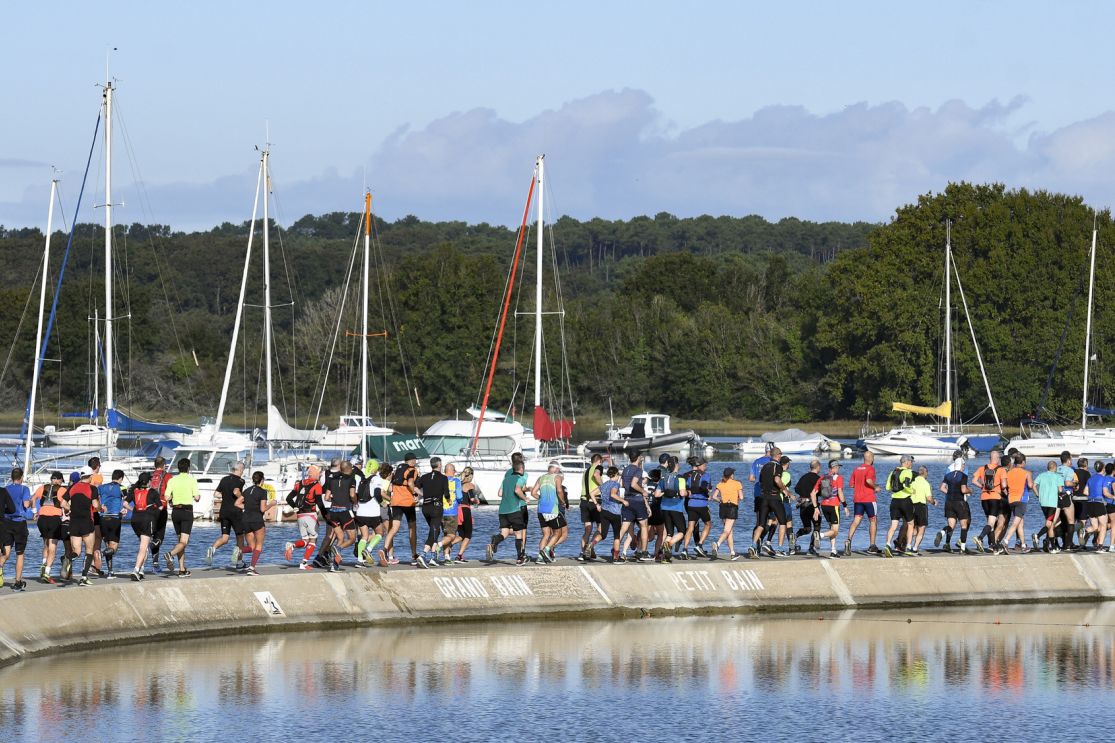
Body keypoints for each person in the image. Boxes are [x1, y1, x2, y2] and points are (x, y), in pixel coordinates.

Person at [748, 447, 791, 559]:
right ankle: (780, 548)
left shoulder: (765, 467)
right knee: (783, 522)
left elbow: (760, 481)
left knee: (761, 524)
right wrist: (784, 490)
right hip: (774, 497)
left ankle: (753, 545)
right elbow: (777, 480)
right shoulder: (777, 466)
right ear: (778, 455)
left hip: (763, 498)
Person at [487, 459, 530, 565]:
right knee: (518, 533)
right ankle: (520, 559)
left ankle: (495, 541)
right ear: (521, 469)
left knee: (504, 533)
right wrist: (525, 498)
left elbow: (500, 493)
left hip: (502, 511)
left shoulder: (506, 480)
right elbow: (517, 490)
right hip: (514, 510)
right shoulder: (519, 478)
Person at [163, 457, 199, 577]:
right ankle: (170, 554)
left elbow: (166, 497)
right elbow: (197, 497)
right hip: (187, 512)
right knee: (184, 542)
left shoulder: (172, 480)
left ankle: (182, 569)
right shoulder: (191, 480)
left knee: (180, 542)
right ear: (188, 468)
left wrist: (174, 496)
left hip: (175, 512)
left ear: (178, 468)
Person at [207, 461, 247, 567]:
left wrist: (225, 496)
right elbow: (236, 492)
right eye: (242, 470)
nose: (243, 472)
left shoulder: (224, 479)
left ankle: (212, 549)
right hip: (235, 512)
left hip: (224, 511)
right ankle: (239, 562)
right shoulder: (240, 481)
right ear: (240, 470)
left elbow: (216, 494)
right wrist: (241, 497)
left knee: (225, 538)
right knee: (240, 537)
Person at [64, 467, 100, 585]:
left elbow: (62, 503)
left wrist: (71, 509)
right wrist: (101, 508)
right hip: (87, 521)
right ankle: (84, 577)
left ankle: (69, 558)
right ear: (90, 477)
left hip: (74, 521)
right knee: (89, 550)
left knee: (77, 551)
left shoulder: (72, 487)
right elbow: (95, 504)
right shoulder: (92, 488)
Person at [284, 465, 324, 569]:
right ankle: (304, 563)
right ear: (315, 474)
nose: (319, 475)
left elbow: (288, 498)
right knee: (313, 540)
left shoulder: (299, 483)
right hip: (310, 515)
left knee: (306, 540)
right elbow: (319, 502)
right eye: (319, 473)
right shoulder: (317, 485)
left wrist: (295, 507)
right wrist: (326, 514)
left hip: (300, 515)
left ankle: (293, 546)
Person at [384, 452, 420, 566]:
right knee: (412, 528)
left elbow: (390, 486)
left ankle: (384, 550)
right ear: (412, 460)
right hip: (408, 503)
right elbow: (410, 483)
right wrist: (416, 493)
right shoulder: (412, 470)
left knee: (394, 528)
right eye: (415, 460)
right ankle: (414, 555)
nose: (415, 462)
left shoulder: (398, 469)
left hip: (395, 503)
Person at [1, 468, 33, 590]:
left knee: (6, 552)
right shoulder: (24, 489)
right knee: (20, 553)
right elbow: (25, 504)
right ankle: (17, 582)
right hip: (19, 523)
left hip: (6, 522)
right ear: (21, 477)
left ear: (11, 477)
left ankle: (0, 568)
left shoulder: (5, 489)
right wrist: (30, 502)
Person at [324, 460, 359, 570]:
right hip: (344, 511)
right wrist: (355, 502)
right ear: (350, 469)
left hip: (333, 511)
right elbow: (352, 494)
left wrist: (335, 498)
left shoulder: (331, 479)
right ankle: (338, 548)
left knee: (340, 537)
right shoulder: (351, 479)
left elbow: (326, 497)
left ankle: (333, 565)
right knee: (352, 538)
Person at [845, 451, 881, 555]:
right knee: (873, 521)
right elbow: (869, 480)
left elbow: (851, 485)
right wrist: (875, 487)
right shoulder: (870, 468)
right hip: (869, 499)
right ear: (871, 458)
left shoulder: (856, 469)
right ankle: (872, 546)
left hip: (858, 499)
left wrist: (860, 486)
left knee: (856, 521)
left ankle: (848, 540)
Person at [934, 452, 971, 553]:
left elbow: (942, 488)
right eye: (963, 465)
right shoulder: (963, 476)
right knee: (964, 525)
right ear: (962, 465)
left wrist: (950, 492)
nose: (964, 467)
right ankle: (962, 548)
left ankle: (942, 532)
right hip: (959, 503)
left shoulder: (948, 475)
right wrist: (970, 491)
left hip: (949, 502)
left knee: (951, 526)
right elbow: (963, 490)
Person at [237, 471, 273, 575]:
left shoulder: (247, 490)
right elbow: (262, 509)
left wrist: (248, 507)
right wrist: (272, 504)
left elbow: (237, 503)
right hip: (257, 520)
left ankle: (240, 551)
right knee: (259, 545)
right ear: (262, 480)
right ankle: (252, 568)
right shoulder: (262, 491)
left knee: (251, 547)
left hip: (245, 520)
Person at [588, 466, 627, 562]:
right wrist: (623, 501)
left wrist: (597, 504)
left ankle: (591, 544)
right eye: (618, 475)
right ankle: (616, 558)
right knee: (617, 536)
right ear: (616, 474)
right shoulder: (616, 484)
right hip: (614, 512)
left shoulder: (604, 484)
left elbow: (591, 493)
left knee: (603, 534)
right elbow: (613, 494)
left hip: (604, 511)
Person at [124, 472, 158, 581]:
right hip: (147, 520)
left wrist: (133, 509)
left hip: (135, 521)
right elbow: (161, 507)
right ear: (148, 481)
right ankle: (136, 569)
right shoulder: (152, 492)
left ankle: (142, 569)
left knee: (144, 544)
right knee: (143, 547)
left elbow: (124, 503)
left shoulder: (134, 490)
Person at [416, 457, 449, 568]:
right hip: (436, 507)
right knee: (433, 531)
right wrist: (449, 500)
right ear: (439, 465)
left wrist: (421, 494)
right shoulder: (443, 478)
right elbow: (447, 494)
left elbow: (415, 487)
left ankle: (433, 557)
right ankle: (423, 554)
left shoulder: (424, 477)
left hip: (426, 507)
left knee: (435, 530)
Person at [34, 471, 66, 583]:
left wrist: (34, 511)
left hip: (41, 519)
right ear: (60, 480)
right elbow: (64, 505)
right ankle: (47, 573)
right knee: (53, 547)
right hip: (54, 520)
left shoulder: (42, 487)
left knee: (46, 543)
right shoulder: (62, 490)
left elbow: (33, 498)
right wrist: (70, 509)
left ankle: (44, 564)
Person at [355, 463, 389, 567]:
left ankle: (360, 560)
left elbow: (356, 494)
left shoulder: (360, 478)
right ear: (376, 469)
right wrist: (382, 503)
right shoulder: (376, 479)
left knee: (364, 536)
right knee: (380, 533)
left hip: (360, 512)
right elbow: (378, 493)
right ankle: (368, 550)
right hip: (372, 512)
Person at [619, 452, 651, 562]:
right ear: (637, 458)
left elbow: (623, 484)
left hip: (627, 500)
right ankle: (644, 552)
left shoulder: (625, 469)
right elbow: (633, 484)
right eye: (640, 457)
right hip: (637, 500)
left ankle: (616, 550)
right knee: (644, 525)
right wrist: (643, 491)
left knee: (624, 528)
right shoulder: (638, 470)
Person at [1000, 452, 1035, 553]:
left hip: (1011, 500)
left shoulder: (1009, 472)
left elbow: (1005, 486)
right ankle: (1005, 541)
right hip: (1021, 500)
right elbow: (1030, 485)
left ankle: (1023, 545)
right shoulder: (1026, 473)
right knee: (1015, 523)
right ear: (1023, 462)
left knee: (1020, 523)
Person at [655, 456, 688, 563]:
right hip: (676, 508)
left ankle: (665, 557)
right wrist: (686, 492)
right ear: (676, 465)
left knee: (669, 533)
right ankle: (668, 545)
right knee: (682, 531)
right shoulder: (681, 478)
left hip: (664, 507)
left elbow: (657, 494)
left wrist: (666, 492)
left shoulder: (663, 478)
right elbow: (683, 493)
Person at [882, 456, 915, 558]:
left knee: (893, 525)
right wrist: (912, 491)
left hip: (894, 501)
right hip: (905, 501)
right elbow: (906, 485)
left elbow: (888, 487)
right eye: (911, 462)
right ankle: (909, 547)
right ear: (907, 462)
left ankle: (888, 544)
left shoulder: (893, 472)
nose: (912, 464)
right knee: (910, 524)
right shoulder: (908, 472)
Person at [814, 461, 849, 558]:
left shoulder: (822, 477)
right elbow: (840, 493)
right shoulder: (839, 478)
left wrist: (816, 507)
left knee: (832, 528)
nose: (838, 469)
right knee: (835, 531)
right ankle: (820, 535)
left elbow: (814, 493)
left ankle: (833, 551)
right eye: (838, 467)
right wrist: (845, 506)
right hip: (834, 506)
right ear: (835, 467)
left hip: (824, 506)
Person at [533, 462, 565, 563]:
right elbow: (559, 491)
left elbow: (533, 493)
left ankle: (540, 558)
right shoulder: (557, 477)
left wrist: (542, 499)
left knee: (546, 535)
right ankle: (546, 550)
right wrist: (562, 501)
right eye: (558, 470)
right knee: (558, 533)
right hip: (552, 510)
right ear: (556, 469)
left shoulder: (541, 478)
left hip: (541, 510)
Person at [974, 451, 1005, 552]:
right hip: (995, 497)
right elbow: (1004, 485)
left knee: (989, 522)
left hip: (984, 498)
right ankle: (980, 538)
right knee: (991, 523)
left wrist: (982, 486)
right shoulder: (1001, 469)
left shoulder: (982, 468)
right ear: (997, 458)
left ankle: (993, 545)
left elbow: (973, 481)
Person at [1032, 460, 1065, 553]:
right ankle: (1037, 536)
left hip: (1043, 503)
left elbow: (1033, 486)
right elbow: (1060, 490)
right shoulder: (1058, 477)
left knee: (1050, 525)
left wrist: (1037, 495)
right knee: (1049, 524)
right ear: (1055, 468)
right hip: (1052, 504)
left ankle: (1053, 547)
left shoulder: (1041, 475)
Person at [97, 469, 125, 578]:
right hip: (114, 519)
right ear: (121, 478)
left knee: (108, 545)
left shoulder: (102, 487)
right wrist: (124, 509)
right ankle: (102, 554)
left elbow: (95, 499)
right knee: (113, 548)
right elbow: (126, 500)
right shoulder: (122, 487)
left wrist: (101, 507)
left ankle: (110, 572)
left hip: (103, 519)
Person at [710, 467, 743, 559]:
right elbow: (741, 497)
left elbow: (714, 496)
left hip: (723, 508)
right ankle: (717, 544)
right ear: (731, 475)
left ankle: (732, 553)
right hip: (732, 508)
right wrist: (735, 499)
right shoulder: (737, 483)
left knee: (729, 531)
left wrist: (720, 500)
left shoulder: (720, 483)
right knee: (727, 530)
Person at [683, 457, 713, 558]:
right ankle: (699, 545)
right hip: (701, 504)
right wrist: (707, 493)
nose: (706, 467)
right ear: (700, 466)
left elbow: (687, 488)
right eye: (704, 465)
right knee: (708, 524)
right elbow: (705, 487)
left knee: (691, 527)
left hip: (691, 504)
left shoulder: (690, 476)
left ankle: (685, 549)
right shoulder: (706, 475)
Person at [148, 456, 173, 573]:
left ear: (154, 465)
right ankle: (155, 561)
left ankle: (155, 563)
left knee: (153, 535)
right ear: (164, 465)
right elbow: (171, 491)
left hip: (148, 508)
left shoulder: (150, 476)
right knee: (159, 537)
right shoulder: (167, 476)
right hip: (161, 507)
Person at [792, 459, 823, 555]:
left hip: (802, 506)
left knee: (807, 528)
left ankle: (795, 536)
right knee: (817, 526)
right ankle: (811, 547)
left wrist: (803, 494)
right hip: (812, 506)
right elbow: (822, 492)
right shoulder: (818, 479)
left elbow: (796, 489)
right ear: (818, 467)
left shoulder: (803, 477)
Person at [907, 465, 937, 554]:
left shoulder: (912, 482)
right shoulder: (926, 483)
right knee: (922, 528)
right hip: (921, 507)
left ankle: (908, 545)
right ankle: (915, 548)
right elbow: (929, 498)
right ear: (925, 473)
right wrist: (934, 502)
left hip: (911, 505)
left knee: (912, 527)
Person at [580, 454, 605, 560]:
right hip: (594, 502)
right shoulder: (598, 467)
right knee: (601, 528)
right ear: (599, 461)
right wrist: (604, 486)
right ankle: (590, 546)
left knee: (587, 530)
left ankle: (584, 553)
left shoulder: (586, 471)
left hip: (584, 501)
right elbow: (596, 475)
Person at [454, 467, 481, 562]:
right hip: (465, 510)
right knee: (468, 535)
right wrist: (477, 501)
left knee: (461, 535)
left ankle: (446, 544)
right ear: (471, 475)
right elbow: (472, 498)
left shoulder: (457, 483)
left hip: (456, 510)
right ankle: (459, 555)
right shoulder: (470, 485)